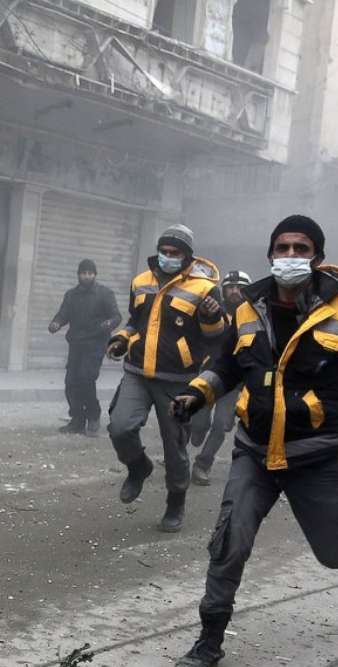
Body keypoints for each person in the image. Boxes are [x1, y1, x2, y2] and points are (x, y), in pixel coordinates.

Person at [168, 215, 338, 667]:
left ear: (317, 256)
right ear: (270, 253)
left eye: (301, 248)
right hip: (253, 454)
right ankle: (208, 641)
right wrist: (197, 393)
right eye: (283, 247)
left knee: (337, 556)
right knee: (228, 544)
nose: (291, 256)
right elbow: (227, 366)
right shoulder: (247, 309)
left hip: (313, 461)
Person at [106, 224, 225, 532]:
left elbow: (215, 336)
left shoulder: (204, 288)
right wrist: (120, 340)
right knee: (120, 427)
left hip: (177, 380)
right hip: (137, 373)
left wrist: (212, 316)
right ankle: (138, 466)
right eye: (164, 251)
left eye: (175, 253)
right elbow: (135, 322)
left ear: (186, 256)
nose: (167, 257)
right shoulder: (141, 281)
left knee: (175, 447)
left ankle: (176, 502)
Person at [190, 271, 252, 486]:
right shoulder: (212, 309)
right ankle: (195, 431)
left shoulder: (254, 315)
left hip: (234, 382)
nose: (235, 291)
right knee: (199, 421)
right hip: (210, 374)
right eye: (230, 287)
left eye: (239, 287)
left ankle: (202, 465)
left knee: (221, 425)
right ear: (224, 290)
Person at [49, 259, 123, 436]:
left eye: (90, 273)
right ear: (79, 275)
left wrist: (107, 325)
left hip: (96, 345)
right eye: (84, 273)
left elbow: (116, 316)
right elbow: (63, 314)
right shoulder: (71, 295)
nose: (87, 276)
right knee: (70, 383)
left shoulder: (105, 294)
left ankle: (93, 416)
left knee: (85, 379)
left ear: (95, 275)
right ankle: (77, 420)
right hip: (76, 345)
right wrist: (56, 323)